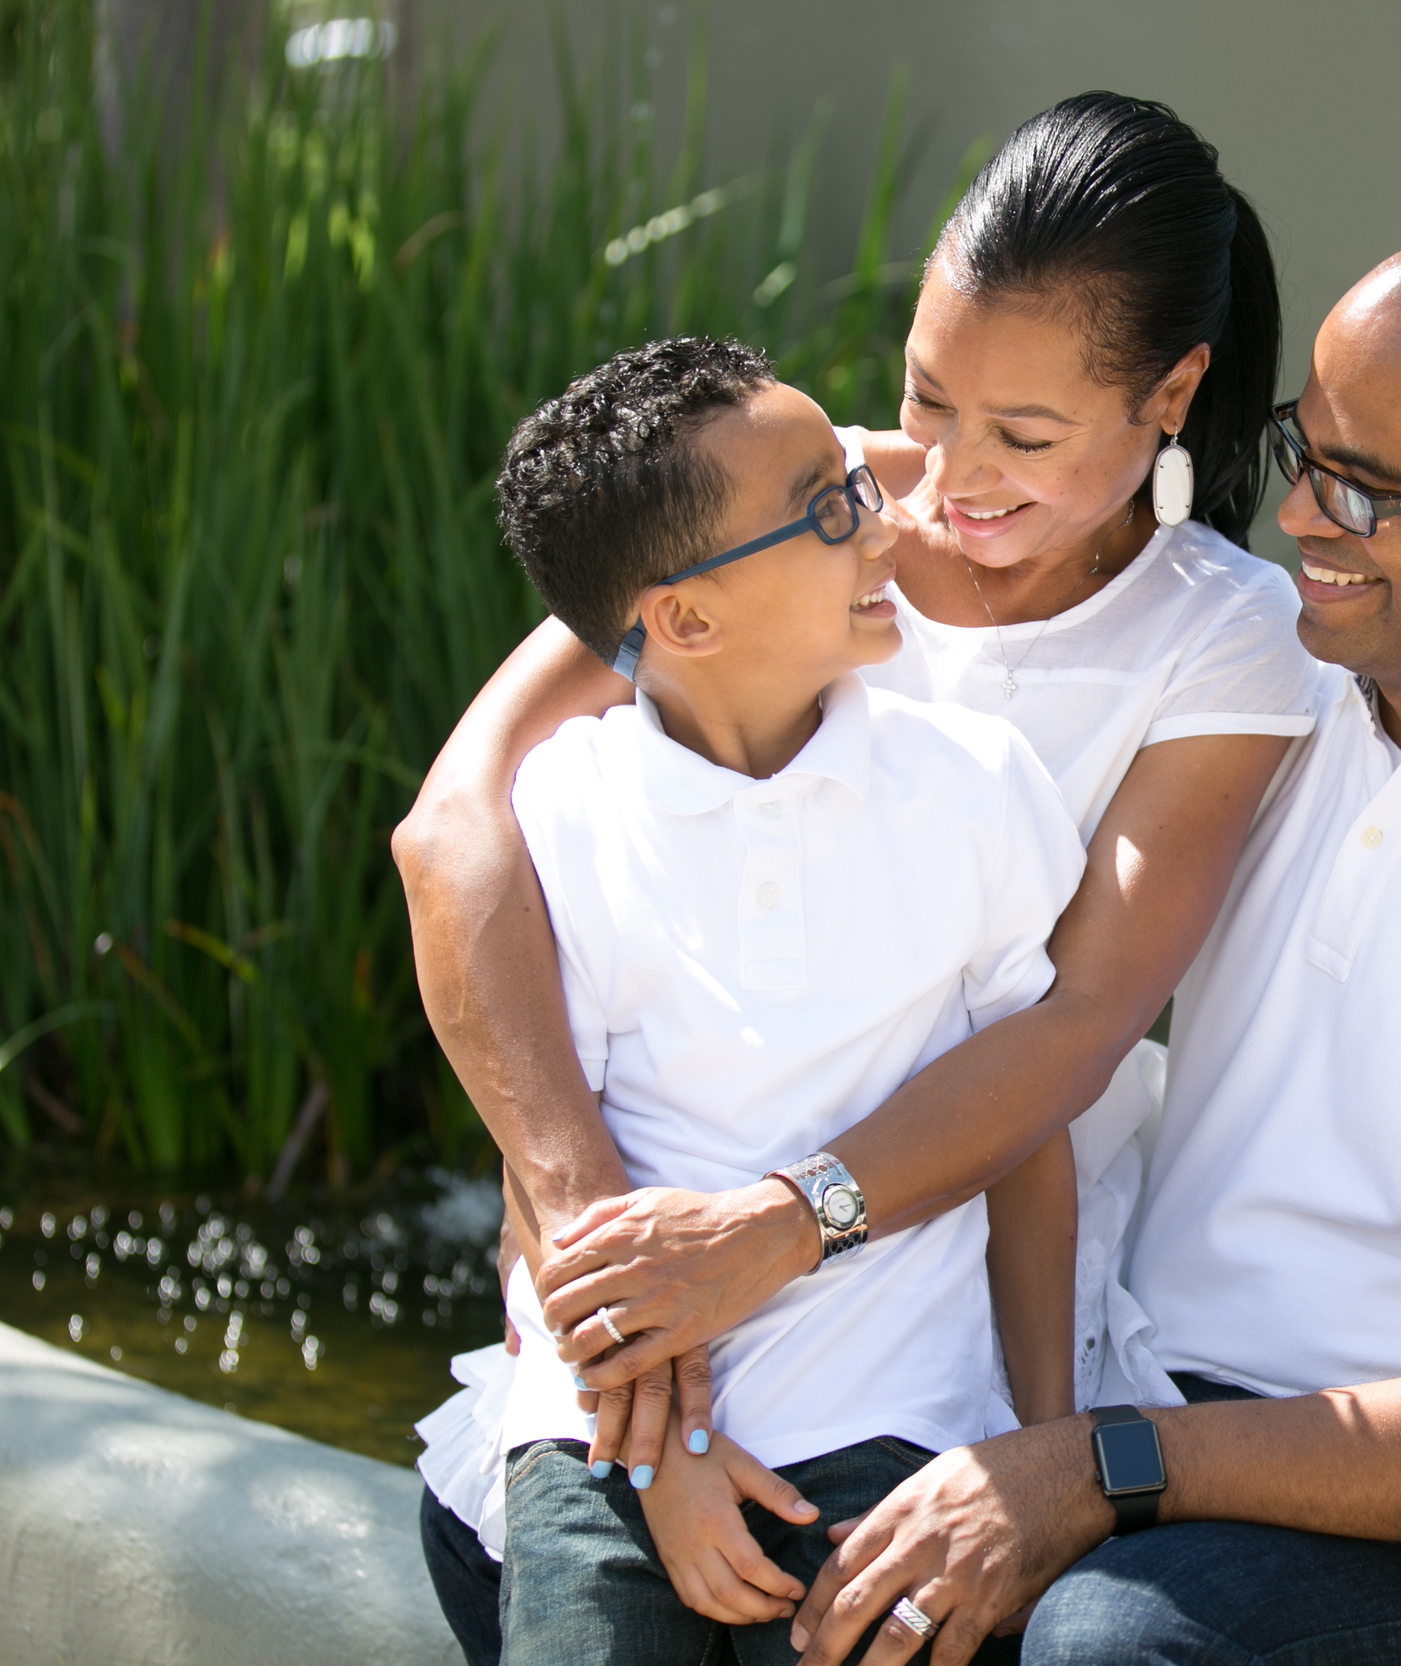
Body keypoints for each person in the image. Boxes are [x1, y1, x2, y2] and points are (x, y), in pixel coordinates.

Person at [782, 215, 1401, 1666]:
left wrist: (1098, 1467)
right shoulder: (1259, 685)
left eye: (1370, 490)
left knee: (1107, 1649)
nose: (1305, 516)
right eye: (1308, 450)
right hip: (1146, 1395)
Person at [395, 92, 1315, 1660]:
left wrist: (782, 1226)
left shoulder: (1223, 637)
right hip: (651, 1263)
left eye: (1025, 438)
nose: (944, 478)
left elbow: (1068, 1031)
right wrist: (592, 1247)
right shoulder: (785, 508)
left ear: (1172, 395)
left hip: (945, 1289)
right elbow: (461, 831)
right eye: (926, 395)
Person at [466, 335, 1085, 1663]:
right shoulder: (564, 816)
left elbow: (1024, 1134)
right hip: (608, 1434)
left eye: (858, 481)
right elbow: (546, 1164)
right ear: (683, 618)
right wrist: (667, 1454)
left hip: (895, 1424)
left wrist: (1040, 1461)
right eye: (828, 508)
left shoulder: (976, 785)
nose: (883, 527)